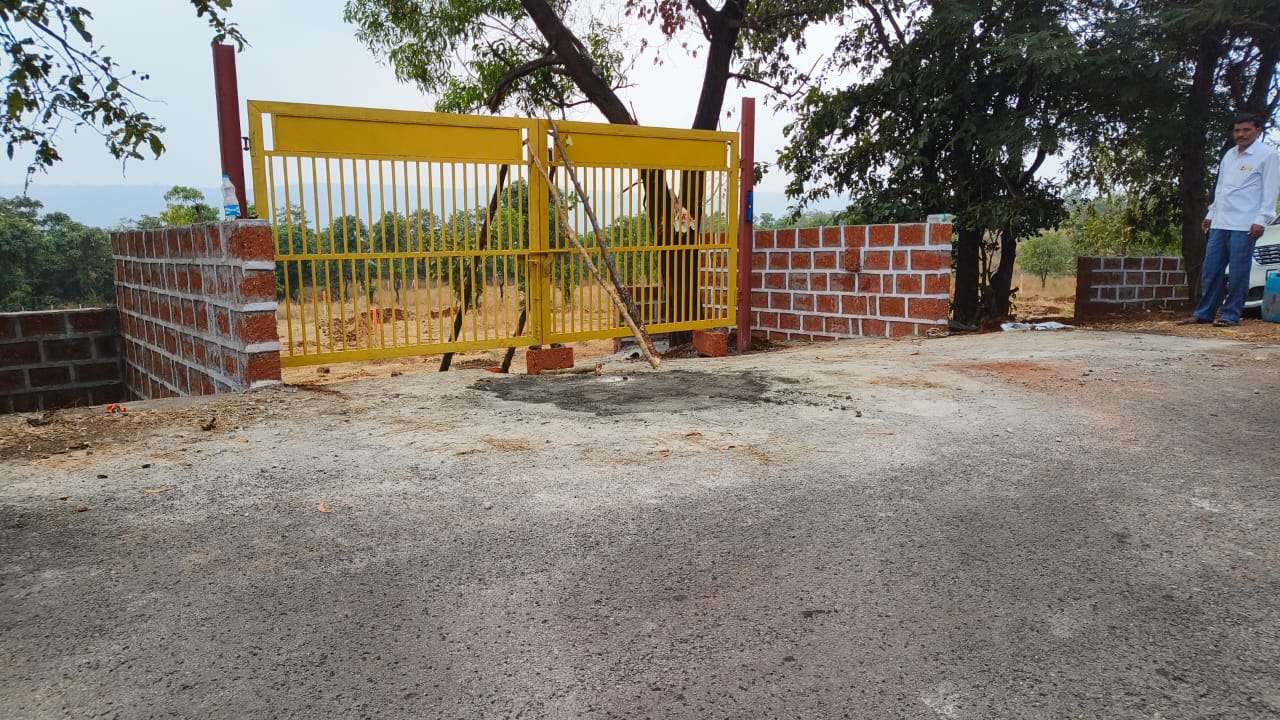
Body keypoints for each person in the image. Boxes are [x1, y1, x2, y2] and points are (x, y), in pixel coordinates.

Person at [1187, 114, 1280, 326]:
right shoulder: (1230, 154)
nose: (1241, 134)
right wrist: (1211, 214)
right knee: (1211, 270)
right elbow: (1221, 189)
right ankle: (1204, 313)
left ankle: (1230, 314)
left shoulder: (1267, 155)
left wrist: (1262, 219)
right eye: (1237, 130)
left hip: (1245, 223)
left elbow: (1270, 191)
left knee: (1238, 271)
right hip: (1220, 221)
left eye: (1246, 130)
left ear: (1258, 131)